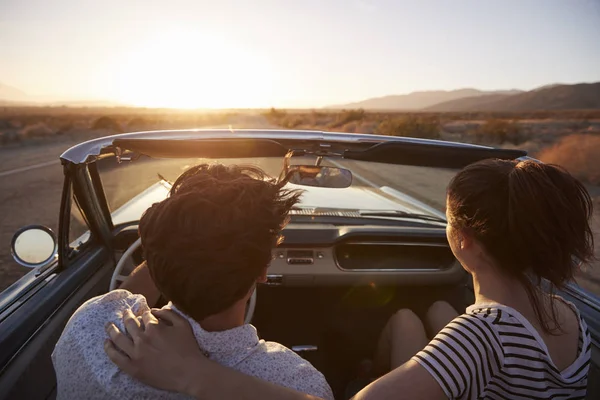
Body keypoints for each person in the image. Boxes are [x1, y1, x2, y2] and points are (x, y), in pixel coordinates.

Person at [104, 159, 594, 399]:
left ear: (464, 241)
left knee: (423, 324)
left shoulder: (480, 338)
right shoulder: (571, 316)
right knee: (415, 316)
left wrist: (196, 372)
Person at [52, 164, 334, 400]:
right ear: (262, 271)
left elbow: (122, 296)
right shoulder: (297, 383)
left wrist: (175, 236)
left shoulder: (88, 325)